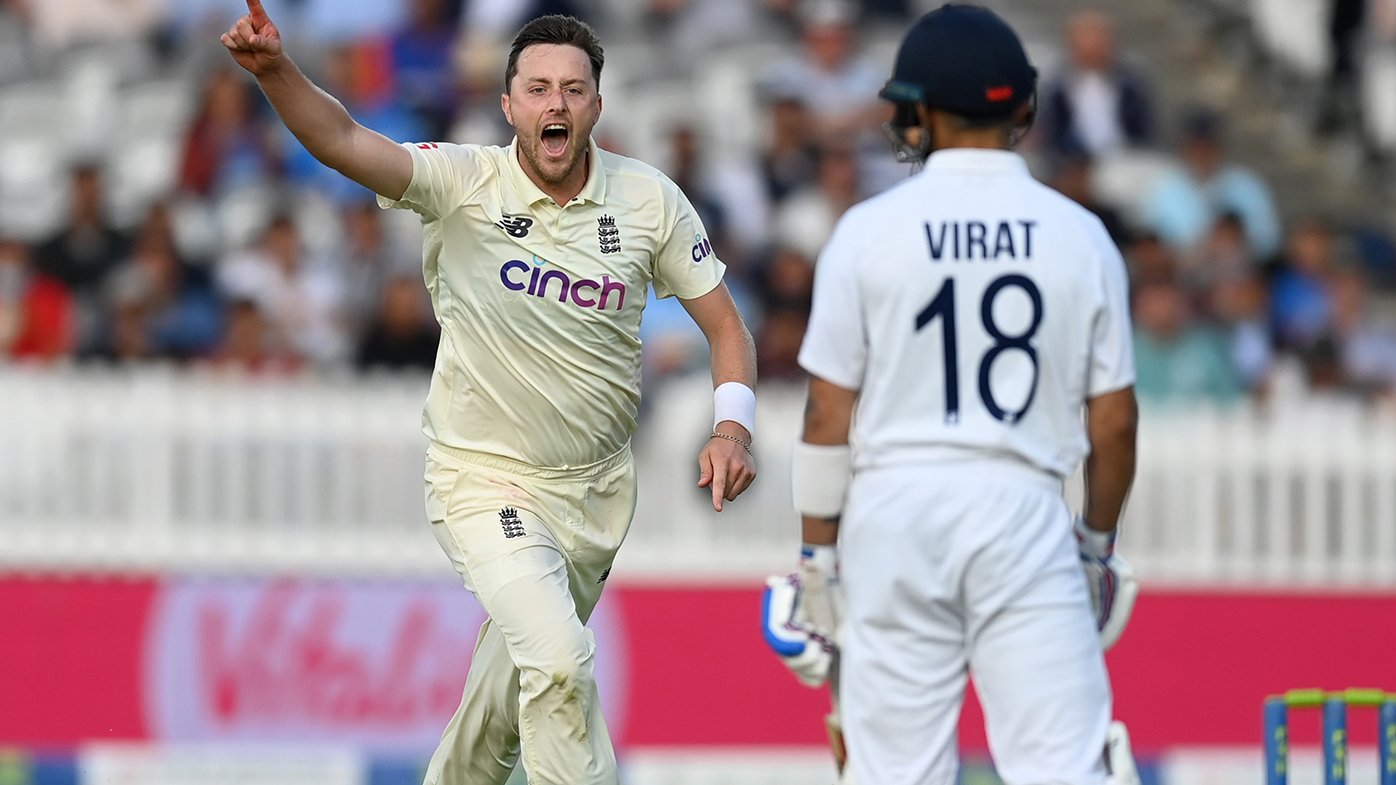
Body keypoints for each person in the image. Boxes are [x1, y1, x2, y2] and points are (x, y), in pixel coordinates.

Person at [222, 4, 758, 785]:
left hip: (597, 493)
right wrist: (276, 72)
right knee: (561, 661)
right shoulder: (464, 181)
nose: (556, 103)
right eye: (538, 88)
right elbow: (340, 139)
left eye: (573, 89)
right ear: (509, 105)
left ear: (596, 106)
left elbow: (726, 326)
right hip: (486, 480)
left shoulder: (649, 201)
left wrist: (733, 428)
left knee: (498, 717)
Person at [762, 7, 1140, 784]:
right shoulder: (1080, 233)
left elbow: (827, 413)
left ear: (922, 110)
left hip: (896, 515)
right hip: (1024, 510)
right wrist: (1095, 546)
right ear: (1022, 106)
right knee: (1066, 769)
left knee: (894, 771)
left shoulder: (866, 229)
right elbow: (1114, 421)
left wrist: (816, 559)